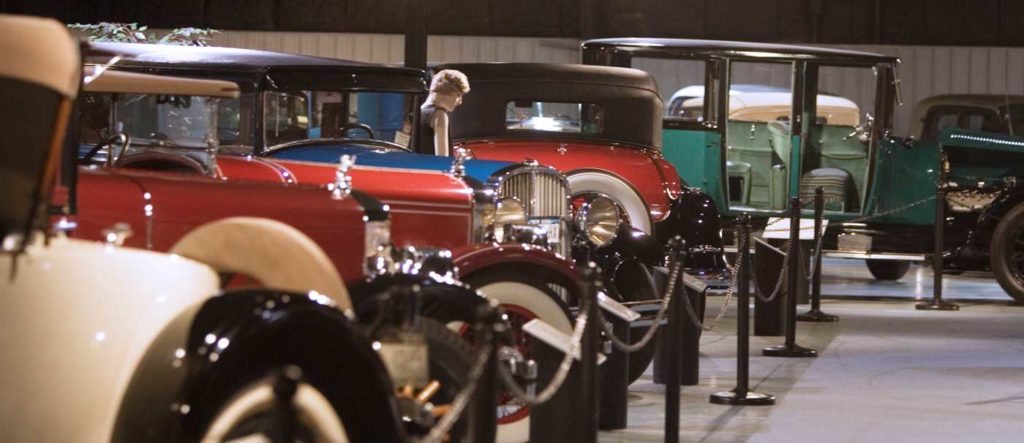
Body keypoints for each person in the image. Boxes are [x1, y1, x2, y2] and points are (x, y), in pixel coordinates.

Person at [419, 69, 469, 156]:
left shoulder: (419, 111)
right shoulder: (439, 115)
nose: (460, 102)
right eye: (458, 95)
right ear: (445, 91)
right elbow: (442, 158)